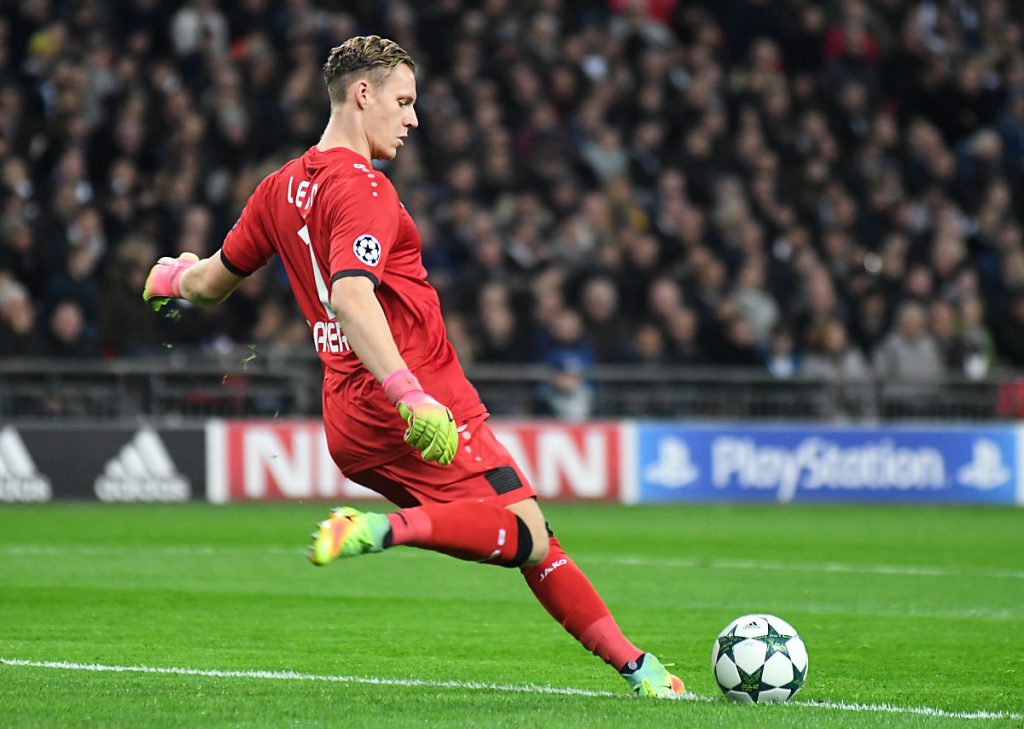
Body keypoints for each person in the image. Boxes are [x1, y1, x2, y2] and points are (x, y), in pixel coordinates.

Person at [142, 35, 683, 700]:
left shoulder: (277, 188)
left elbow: (208, 285)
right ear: (362, 94)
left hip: (347, 416)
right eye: (403, 101)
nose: (413, 118)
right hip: (414, 398)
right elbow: (350, 292)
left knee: (532, 531)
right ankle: (377, 530)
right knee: (523, 535)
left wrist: (168, 278)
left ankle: (640, 668)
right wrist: (410, 394)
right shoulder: (364, 187)